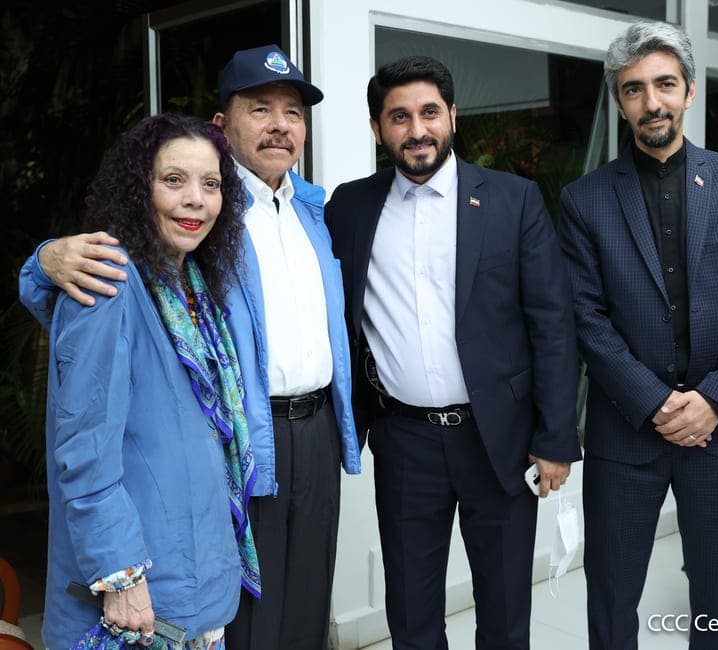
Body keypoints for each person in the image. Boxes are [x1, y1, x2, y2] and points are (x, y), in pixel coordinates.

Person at [18, 45, 361, 650]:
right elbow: (85, 429)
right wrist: (44, 261)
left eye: (293, 112)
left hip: (300, 443)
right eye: (261, 109)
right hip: (244, 450)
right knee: (251, 625)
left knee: (302, 610)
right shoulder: (128, 267)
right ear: (224, 127)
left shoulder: (298, 217)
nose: (195, 198)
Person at [324, 55, 581, 650]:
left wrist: (556, 437)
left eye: (429, 112)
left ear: (453, 117)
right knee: (411, 613)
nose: (417, 130)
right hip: (403, 440)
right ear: (377, 128)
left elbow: (552, 324)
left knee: (504, 610)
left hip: (500, 440)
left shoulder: (513, 200)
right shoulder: (349, 208)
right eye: (399, 117)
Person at [556, 21, 718, 650]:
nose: (651, 102)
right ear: (619, 100)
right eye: (634, 89)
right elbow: (587, 318)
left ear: (689, 90)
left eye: (664, 84)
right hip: (625, 432)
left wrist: (713, 400)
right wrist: (656, 403)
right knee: (611, 602)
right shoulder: (584, 199)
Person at [25, 113, 252, 649]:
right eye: (174, 180)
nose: (196, 199)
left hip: (193, 585)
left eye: (211, 184)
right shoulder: (108, 281)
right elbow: (84, 450)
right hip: (136, 596)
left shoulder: (190, 282)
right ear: (137, 189)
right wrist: (121, 574)